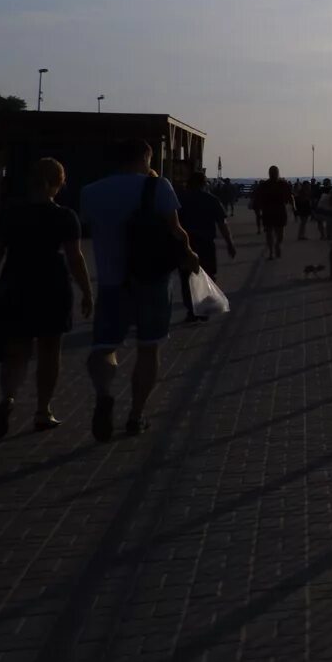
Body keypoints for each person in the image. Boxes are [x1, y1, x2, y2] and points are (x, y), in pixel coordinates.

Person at [81, 139, 200, 441]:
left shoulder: (90, 192)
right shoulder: (158, 187)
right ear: (146, 156)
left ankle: (104, 393)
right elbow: (176, 229)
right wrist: (189, 253)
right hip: (153, 280)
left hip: (110, 281)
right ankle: (136, 416)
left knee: (104, 347)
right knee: (149, 348)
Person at [0, 158, 92, 437]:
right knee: (50, 351)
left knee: (16, 349)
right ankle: (43, 411)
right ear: (60, 183)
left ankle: (8, 398)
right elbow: (75, 258)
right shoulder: (65, 216)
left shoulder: (11, 213)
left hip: (15, 282)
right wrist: (87, 291)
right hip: (52, 285)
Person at [175, 171, 235, 321]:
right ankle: (204, 307)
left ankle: (191, 310)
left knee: (186, 277)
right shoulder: (211, 200)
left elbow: (173, 223)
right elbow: (222, 224)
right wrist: (229, 243)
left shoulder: (180, 199)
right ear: (204, 183)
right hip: (206, 243)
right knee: (208, 274)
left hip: (186, 243)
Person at [252, 166, 293, 258]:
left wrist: (293, 205)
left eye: (274, 172)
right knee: (271, 232)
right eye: (272, 172)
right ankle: (271, 251)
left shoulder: (283, 184)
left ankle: (276, 246)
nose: (273, 174)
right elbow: (258, 198)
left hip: (277, 210)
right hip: (270, 211)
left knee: (278, 233)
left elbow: (289, 196)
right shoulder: (265, 185)